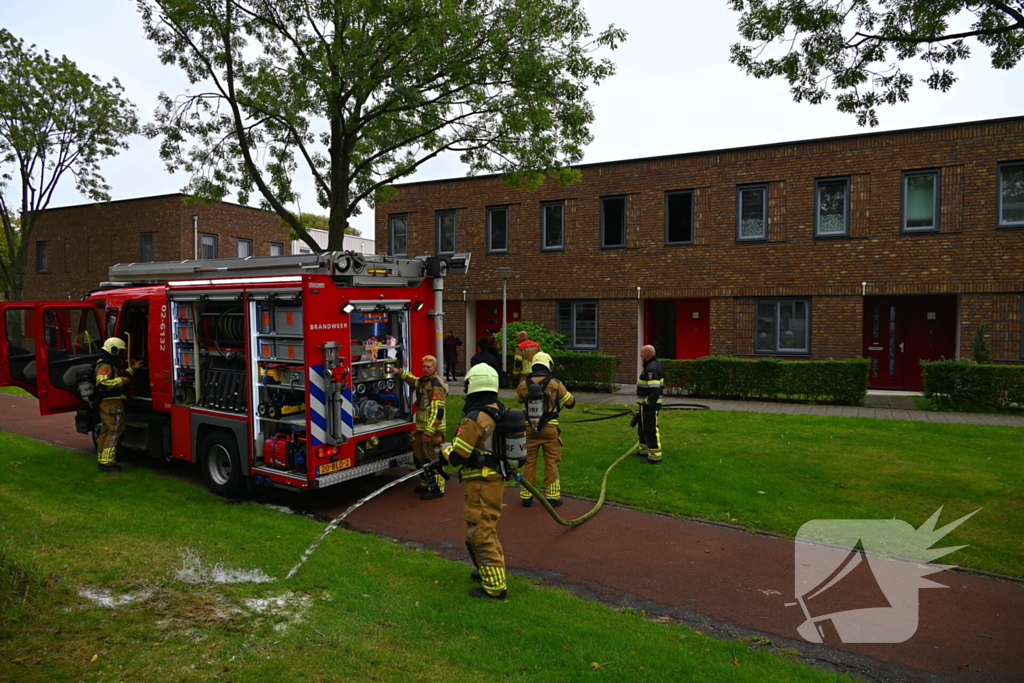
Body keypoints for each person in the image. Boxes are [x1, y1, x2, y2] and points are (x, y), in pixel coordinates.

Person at [425, 363, 508, 599]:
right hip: (492, 479)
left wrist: (445, 451)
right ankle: (488, 570)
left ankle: (494, 587)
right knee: (484, 529)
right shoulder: (497, 408)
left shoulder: (475, 418)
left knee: (480, 532)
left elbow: (458, 457)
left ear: (472, 386)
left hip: (482, 482)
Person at [515, 352, 575, 507]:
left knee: (529, 462)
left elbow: (519, 398)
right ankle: (553, 497)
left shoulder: (524, 383)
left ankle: (526, 496)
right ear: (548, 365)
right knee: (551, 461)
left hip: (529, 428)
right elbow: (570, 402)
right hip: (550, 429)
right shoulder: (555, 383)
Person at [390, 355, 447, 499]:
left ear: (435, 367)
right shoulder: (425, 381)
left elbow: (437, 411)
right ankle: (426, 483)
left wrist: (429, 431)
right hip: (422, 430)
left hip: (432, 431)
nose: (426, 369)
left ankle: (438, 489)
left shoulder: (436, 384)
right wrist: (400, 372)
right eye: (424, 367)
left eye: (429, 367)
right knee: (419, 458)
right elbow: (414, 381)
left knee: (433, 459)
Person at [94, 337, 143, 472]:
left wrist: (133, 369)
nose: (120, 354)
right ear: (113, 350)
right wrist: (121, 381)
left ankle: (102, 459)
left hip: (109, 402)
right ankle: (107, 463)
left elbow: (119, 374)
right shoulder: (105, 364)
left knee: (106, 429)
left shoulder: (109, 362)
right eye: (119, 351)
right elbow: (103, 384)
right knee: (115, 430)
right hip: (110, 402)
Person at [636, 345, 665, 464]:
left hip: (650, 405)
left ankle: (654, 456)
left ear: (647, 355)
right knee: (642, 427)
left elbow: (655, 391)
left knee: (650, 429)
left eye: (642, 353)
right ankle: (644, 450)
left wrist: (647, 402)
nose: (640, 355)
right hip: (645, 405)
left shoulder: (651, 369)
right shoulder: (651, 366)